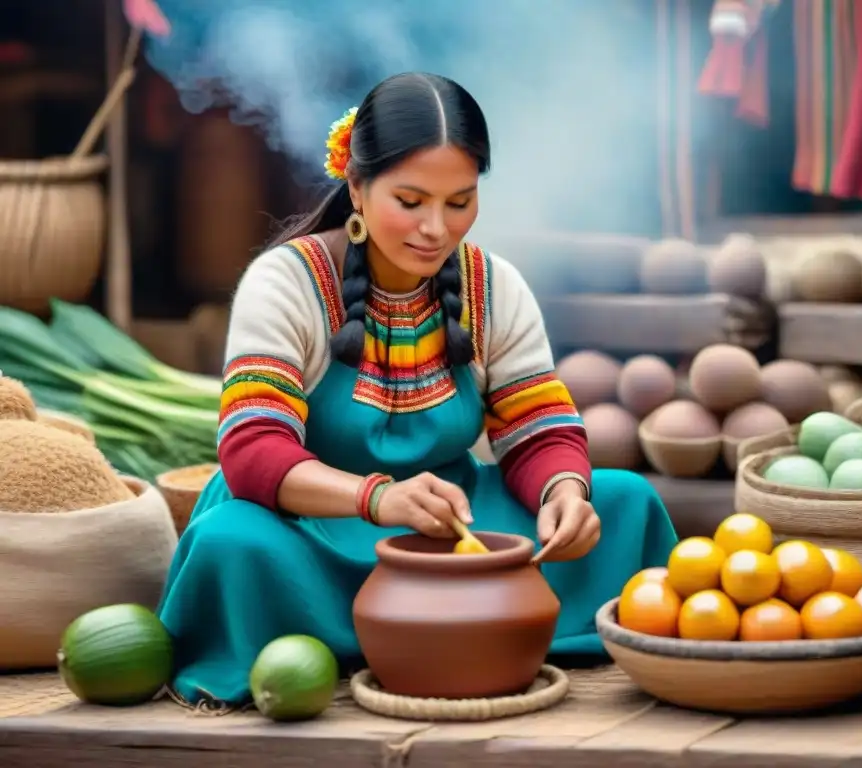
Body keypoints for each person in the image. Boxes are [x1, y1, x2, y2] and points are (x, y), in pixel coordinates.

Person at [158, 71, 679, 708]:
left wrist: (562, 493)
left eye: (459, 202)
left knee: (625, 499)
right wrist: (377, 499)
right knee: (229, 543)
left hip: (452, 525)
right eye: (410, 201)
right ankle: (454, 628)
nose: (436, 228)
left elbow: (536, 425)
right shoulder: (285, 282)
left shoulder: (494, 285)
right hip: (313, 529)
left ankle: (433, 626)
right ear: (355, 184)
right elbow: (252, 452)